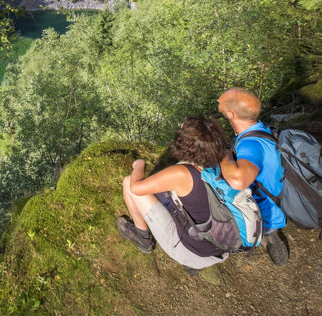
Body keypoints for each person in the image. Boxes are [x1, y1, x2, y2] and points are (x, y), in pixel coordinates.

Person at [117, 116, 230, 273]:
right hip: (221, 245)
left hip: (194, 251)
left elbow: (137, 188)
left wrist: (139, 165)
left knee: (129, 183)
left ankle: (143, 239)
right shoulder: (223, 163)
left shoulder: (183, 173)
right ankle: (195, 259)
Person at [217, 87, 288, 266]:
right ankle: (270, 235)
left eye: (220, 103)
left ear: (230, 114)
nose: (218, 102)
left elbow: (238, 181)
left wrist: (224, 155)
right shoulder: (263, 129)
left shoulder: (250, 144)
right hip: (278, 203)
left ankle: (263, 234)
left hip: (263, 213)